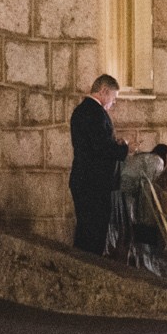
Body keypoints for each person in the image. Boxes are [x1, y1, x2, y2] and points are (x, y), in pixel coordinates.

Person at [69, 74, 130, 254]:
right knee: (93, 236)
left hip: (85, 180)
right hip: (93, 184)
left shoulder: (82, 110)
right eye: (113, 97)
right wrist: (126, 149)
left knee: (86, 232)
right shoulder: (95, 113)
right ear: (104, 91)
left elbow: (95, 143)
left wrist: (114, 145)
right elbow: (100, 148)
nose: (114, 103)